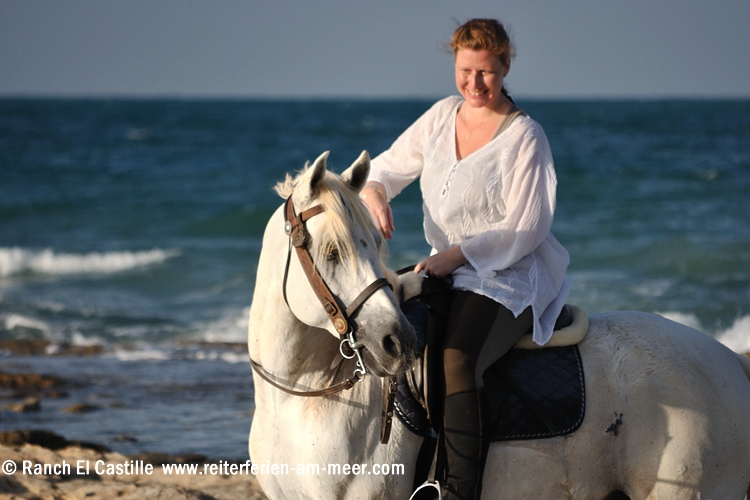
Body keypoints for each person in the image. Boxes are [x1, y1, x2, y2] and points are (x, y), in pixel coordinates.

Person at [361, 18, 570, 500]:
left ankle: (457, 491)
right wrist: (375, 194)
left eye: (486, 73)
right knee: (400, 345)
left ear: (506, 66)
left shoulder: (526, 138)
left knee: (456, 360)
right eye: (465, 71)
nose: (474, 84)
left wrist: (458, 255)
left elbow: (528, 226)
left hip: (506, 273)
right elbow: (386, 168)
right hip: (445, 268)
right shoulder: (440, 118)